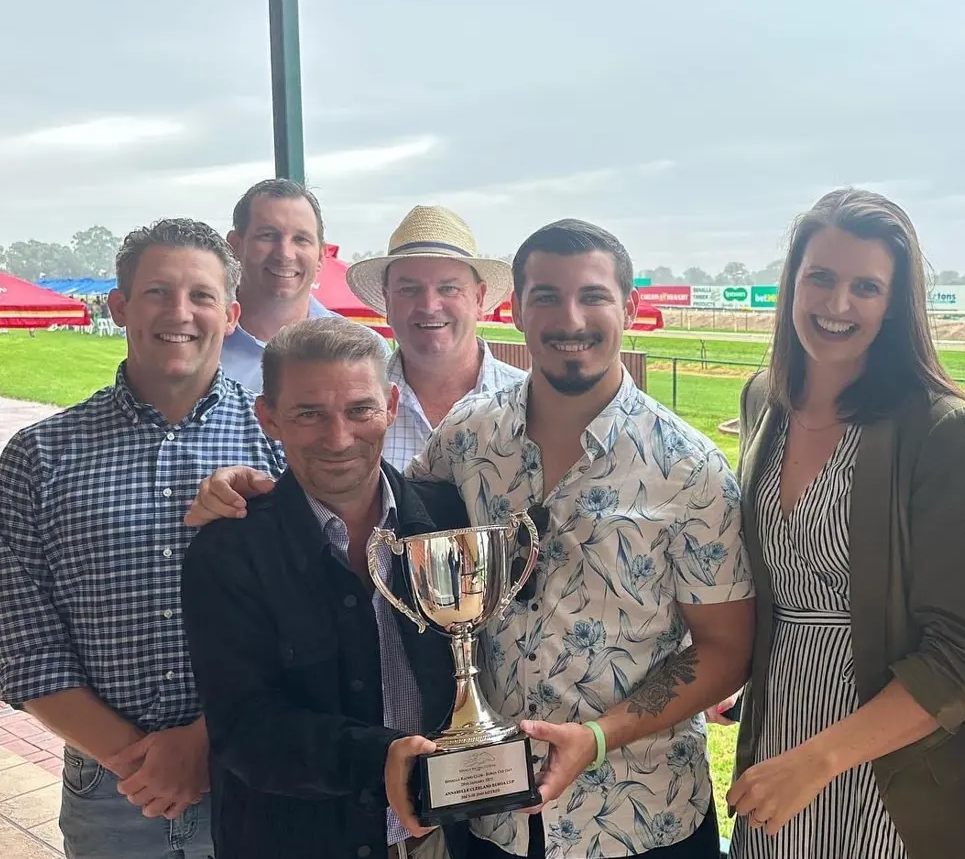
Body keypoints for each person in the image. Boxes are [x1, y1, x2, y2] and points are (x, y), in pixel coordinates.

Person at [186, 219, 756, 858]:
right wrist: (255, 489)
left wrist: (597, 737)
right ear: (516, 311)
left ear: (628, 306)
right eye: (546, 296)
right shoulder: (466, 438)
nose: (570, 317)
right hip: (486, 822)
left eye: (593, 295)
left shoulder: (692, 468)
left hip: (639, 815)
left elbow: (725, 648)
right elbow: (369, 494)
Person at [713, 189, 965, 859]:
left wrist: (818, 761)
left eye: (865, 286)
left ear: (895, 304)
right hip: (777, 737)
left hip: (894, 768)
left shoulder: (944, 432)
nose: (836, 303)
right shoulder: (765, 401)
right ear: (792, 280)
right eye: (820, 276)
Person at [0, 218, 283, 859]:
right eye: (157, 292)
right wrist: (144, 764)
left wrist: (202, 743)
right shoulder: (38, 457)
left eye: (201, 296)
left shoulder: (281, 442)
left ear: (231, 314)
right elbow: (22, 644)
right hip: (110, 790)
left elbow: (315, 617)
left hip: (259, 772)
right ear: (120, 305)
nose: (179, 313)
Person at [181, 317, 471, 859]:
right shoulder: (228, 552)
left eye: (360, 410)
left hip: (438, 838)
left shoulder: (448, 519)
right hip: (299, 840)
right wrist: (379, 757)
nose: (338, 439)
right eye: (308, 414)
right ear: (269, 417)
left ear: (389, 404)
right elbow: (244, 728)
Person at [345, 205, 525, 468]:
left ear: (479, 298)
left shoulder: (531, 405)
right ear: (387, 301)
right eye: (409, 289)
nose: (429, 306)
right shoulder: (347, 407)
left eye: (448, 288)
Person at [220, 178, 339, 391]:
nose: (284, 254)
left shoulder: (364, 350)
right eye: (267, 236)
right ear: (234, 246)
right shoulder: (196, 346)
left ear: (321, 256)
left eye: (301, 239)